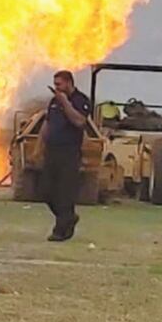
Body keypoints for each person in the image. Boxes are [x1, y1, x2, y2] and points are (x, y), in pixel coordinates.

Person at [38, 70, 91, 242]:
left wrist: (66, 103)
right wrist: (38, 147)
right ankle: (69, 217)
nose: (56, 88)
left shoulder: (81, 100)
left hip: (69, 153)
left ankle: (60, 231)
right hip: (51, 152)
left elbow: (79, 121)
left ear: (69, 83)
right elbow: (47, 125)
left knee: (65, 193)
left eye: (59, 84)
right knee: (46, 191)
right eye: (55, 84)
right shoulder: (54, 102)